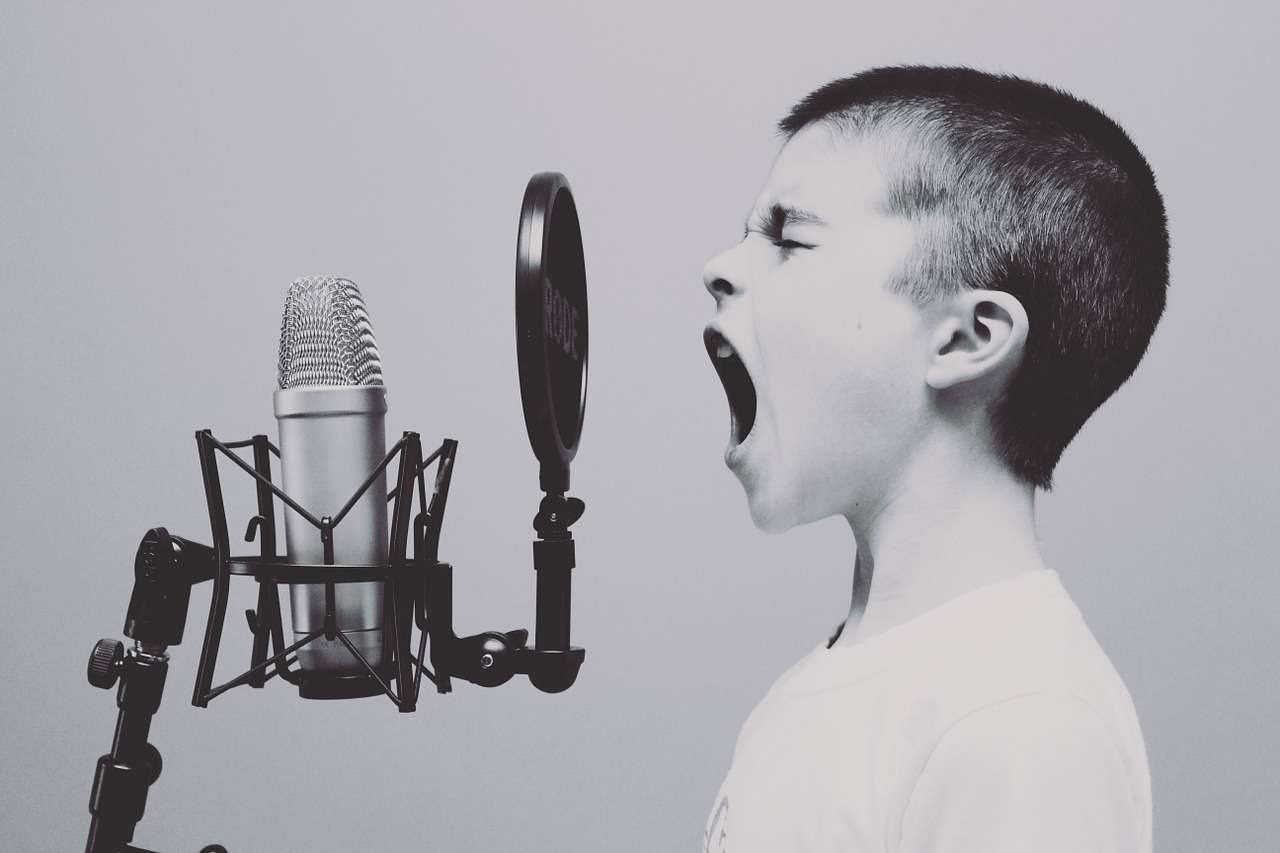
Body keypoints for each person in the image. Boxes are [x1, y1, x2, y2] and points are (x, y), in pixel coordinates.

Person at [700, 66, 1167, 853]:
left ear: (966, 337)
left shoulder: (1022, 722)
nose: (720, 267)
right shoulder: (831, 686)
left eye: (788, 236)